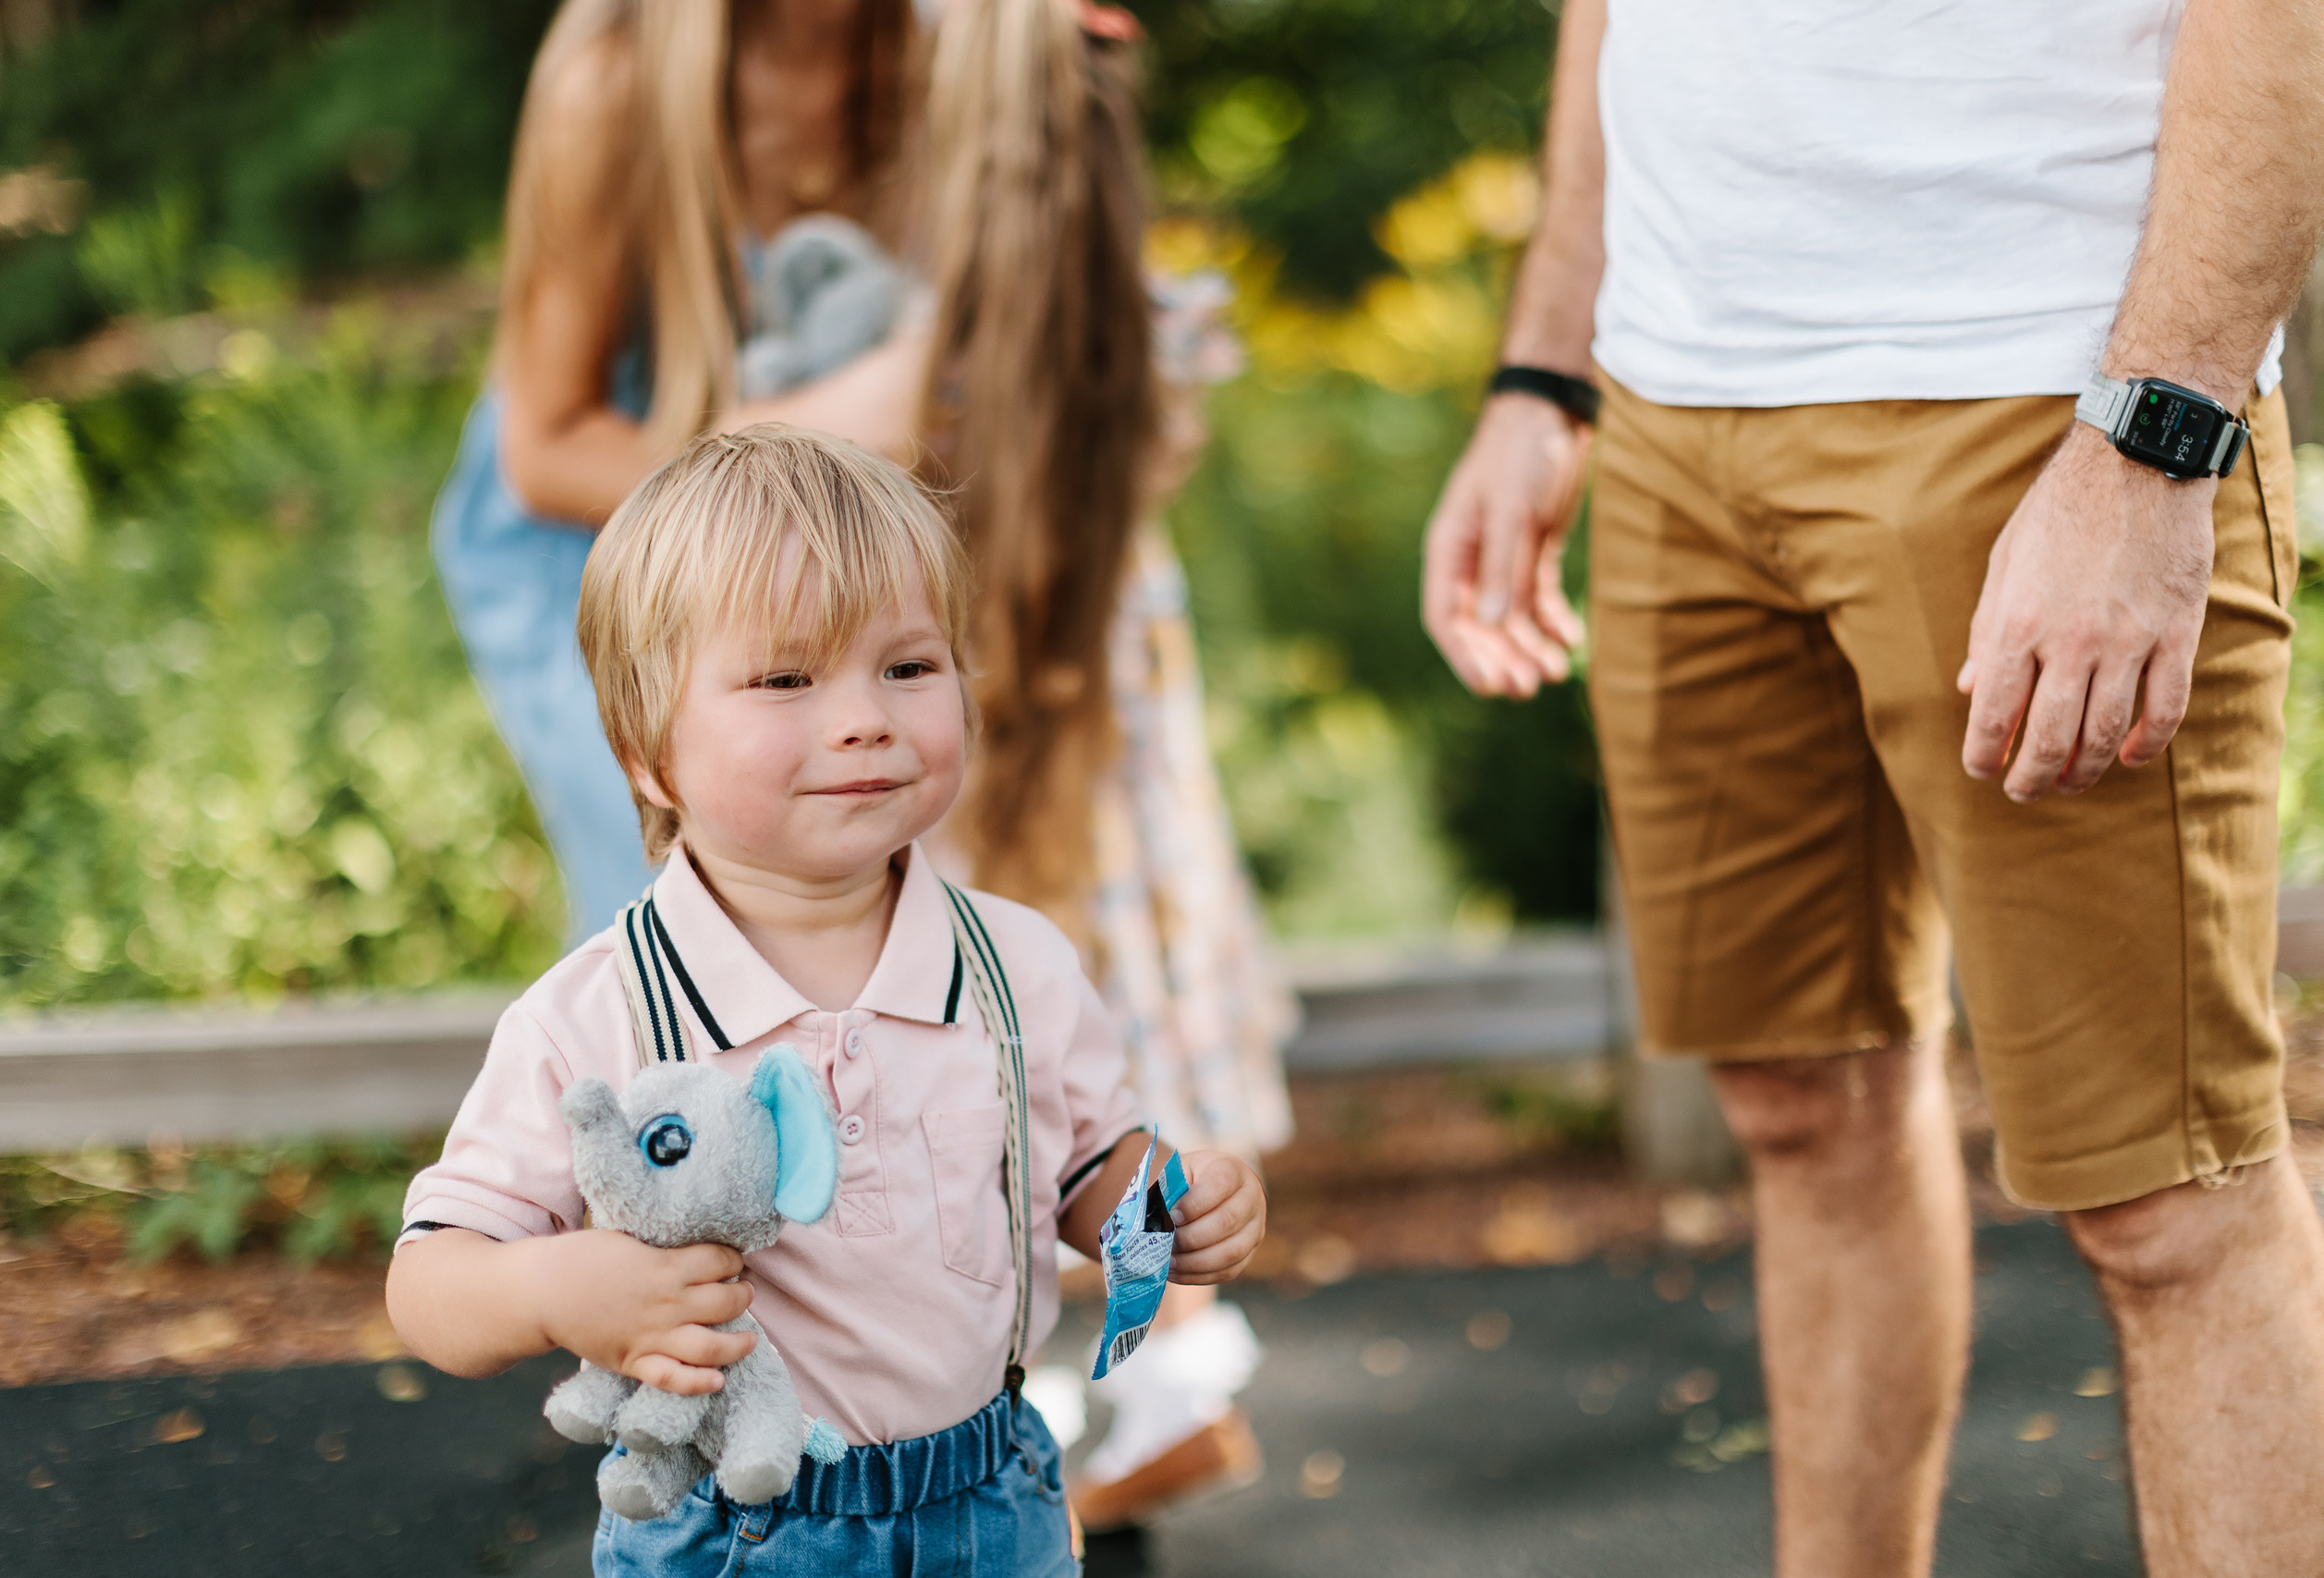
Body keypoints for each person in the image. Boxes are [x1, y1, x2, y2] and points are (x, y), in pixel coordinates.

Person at [1421, 1, 2324, 1572]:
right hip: (1672, 399)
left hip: (2047, 395)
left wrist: (2157, 433)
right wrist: (1544, 367)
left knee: (2166, 1199)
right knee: (1799, 1099)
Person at [385, 427, 1270, 1574]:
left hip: (988, 1505)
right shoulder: (598, 1015)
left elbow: (1082, 1177)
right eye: (787, 679)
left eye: (907, 667)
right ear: (647, 752)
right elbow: (429, 1286)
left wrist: (1166, 1209)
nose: (864, 717)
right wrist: (554, 1285)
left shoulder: (1016, 969)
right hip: (737, 1527)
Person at [914, 0, 1294, 1527]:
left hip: (998, 741)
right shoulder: (1142, 317)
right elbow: (1161, 460)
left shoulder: (916, 335)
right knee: (1124, 1023)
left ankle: (1066, 1401)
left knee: (1002, 1027)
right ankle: (1167, 1375)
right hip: (1120, 748)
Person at [431, 0, 929, 948]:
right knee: (707, 916)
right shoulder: (617, 79)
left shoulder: (944, 53)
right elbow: (543, 450)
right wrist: (819, 432)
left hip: (825, 551)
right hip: (605, 543)